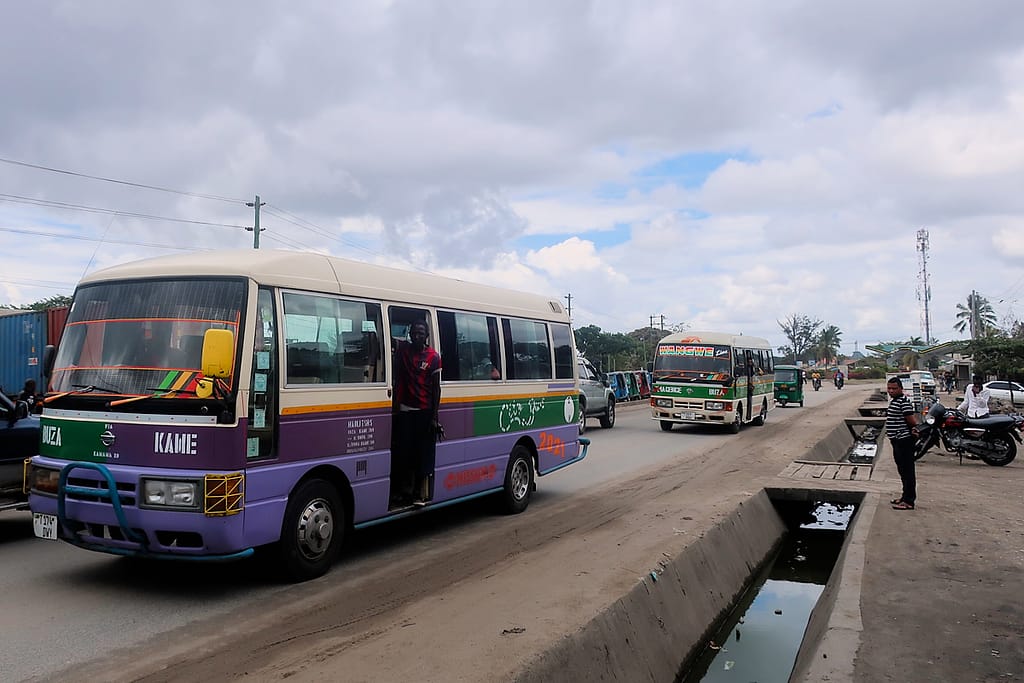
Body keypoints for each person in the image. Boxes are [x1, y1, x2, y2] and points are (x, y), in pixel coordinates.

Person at [392, 321, 442, 506]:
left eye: (421, 333)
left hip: (425, 411)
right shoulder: (404, 351)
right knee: (404, 453)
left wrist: (434, 417)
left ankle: (419, 494)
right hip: (406, 409)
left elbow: (436, 389)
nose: (417, 336)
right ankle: (404, 492)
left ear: (427, 335)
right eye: (413, 332)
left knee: (423, 454)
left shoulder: (433, 357)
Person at [886, 377, 919, 510]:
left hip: (903, 441)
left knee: (908, 471)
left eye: (894, 388)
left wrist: (913, 429)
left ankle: (909, 501)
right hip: (896, 441)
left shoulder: (903, 403)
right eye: (889, 388)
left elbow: (911, 421)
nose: (891, 391)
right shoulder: (895, 401)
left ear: (901, 389)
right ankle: (904, 497)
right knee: (902, 471)